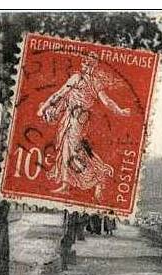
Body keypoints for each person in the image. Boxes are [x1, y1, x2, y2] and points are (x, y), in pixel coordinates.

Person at [37, 53, 130, 199]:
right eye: (85, 63)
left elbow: (107, 101)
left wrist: (120, 111)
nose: (86, 65)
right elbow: (59, 94)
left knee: (73, 149)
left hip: (79, 118)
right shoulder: (75, 78)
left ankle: (98, 177)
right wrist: (44, 108)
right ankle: (66, 185)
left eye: (90, 63)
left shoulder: (95, 83)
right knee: (65, 149)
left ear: (94, 65)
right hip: (68, 116)